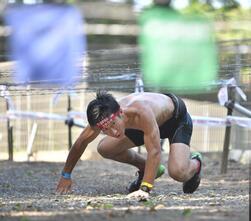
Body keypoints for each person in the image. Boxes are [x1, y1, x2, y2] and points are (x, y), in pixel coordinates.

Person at [56, 91, 202, 200]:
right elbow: (80, 143)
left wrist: (145, 189)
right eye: (105, 130)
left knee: (178, 172)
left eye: (113, 125)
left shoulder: (140, 112)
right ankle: (145, 168)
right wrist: (66, 175)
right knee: (105, 148)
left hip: (175, 120)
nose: (112, 132)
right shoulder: (102, 119)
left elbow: (155, 151)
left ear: (120, 112)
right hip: (140, 126)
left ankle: (196, 163)